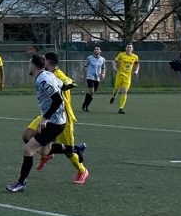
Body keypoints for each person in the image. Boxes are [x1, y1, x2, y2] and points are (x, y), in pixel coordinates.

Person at [6, 54, 85, 193]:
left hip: (54, 123)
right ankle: (74, 149)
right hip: (56, 120)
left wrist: (45, 118)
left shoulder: (42, 79)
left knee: (28, 149)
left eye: (30, 64)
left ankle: (20, 183)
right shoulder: (47, 75)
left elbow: (57, 100)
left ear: (34, 65)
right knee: (43, 150)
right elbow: (62, 85)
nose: (28, 67)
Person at [29, 52, 89, 184]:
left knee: (69, 150)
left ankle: (82, 170)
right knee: (27, 135)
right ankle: (47, 153)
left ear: (48, 62)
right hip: (47, 115)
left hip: (63, 118)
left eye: (44, 60)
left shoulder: (57, 74)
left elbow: (69, 81)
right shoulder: (44, 74)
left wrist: (66, 84)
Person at [110, 43, 139, 114]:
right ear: (125, 48)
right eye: (127, 47)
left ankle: (121, 108)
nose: (129, 49)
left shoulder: (135, 57)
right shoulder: (121, 55)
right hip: (119, 75)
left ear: (132, 49)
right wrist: (114, 67)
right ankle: (113, 96)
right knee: (116, 89)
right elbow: (114, 62)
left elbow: (137, 64)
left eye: (130, 47)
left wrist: (136, 70)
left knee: (124, 91)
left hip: (128, 77)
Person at [80, 46, 106, 112]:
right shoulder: (89, 58)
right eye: (95, 49)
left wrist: (103, 74)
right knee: (91, 91)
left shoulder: (103, 59)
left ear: (100, 51)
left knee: (92, 93)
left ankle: (85, 104)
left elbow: (103, 68)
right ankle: (86, 107)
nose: (96, 50)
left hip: (97, 78)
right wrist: (82, 74)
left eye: (97, 49)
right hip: (90, 77)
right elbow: (85, 66)